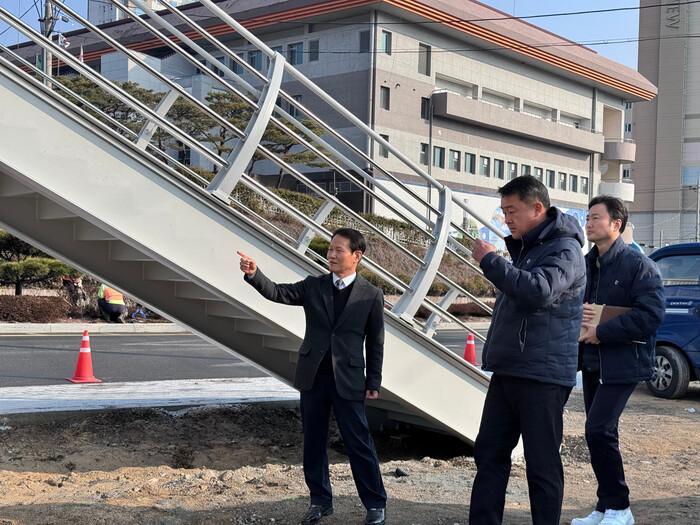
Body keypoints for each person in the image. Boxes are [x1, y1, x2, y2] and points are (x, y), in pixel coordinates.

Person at [237, 228, 386, 525]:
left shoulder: (371, 294)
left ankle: (375, 504)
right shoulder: (313, 285)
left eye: (338, 250)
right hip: (313, 377)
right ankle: (319, 501)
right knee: (314, 443)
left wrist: (374, 381)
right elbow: (278, 292)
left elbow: (376, 341)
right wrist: (254, 274)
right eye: (330, 249)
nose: (331, 254)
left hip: (349, 380)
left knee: (359, 443)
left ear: (356, 256)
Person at [469, 175, 586, 525]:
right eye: (503, 211)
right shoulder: (527, 248)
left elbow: (538, 290)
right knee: (489, 453)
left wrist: (491, 261)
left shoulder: (565, 250)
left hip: (543, 375)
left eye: (512, 211)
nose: (506, 219)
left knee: (542, 463)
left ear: (537, 208)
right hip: (509, 369)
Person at [574, 196, 664, 525]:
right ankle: (604, 507)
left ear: (616, 223)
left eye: (596, 217)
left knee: (598, 429)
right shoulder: (586, 264)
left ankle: (620, 507)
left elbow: (651, 315)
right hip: (592, 361)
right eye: (587, 217)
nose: (589, 223)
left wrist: (603, 331)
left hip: (623, 362)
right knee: (599, 433)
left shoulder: (638, 265)